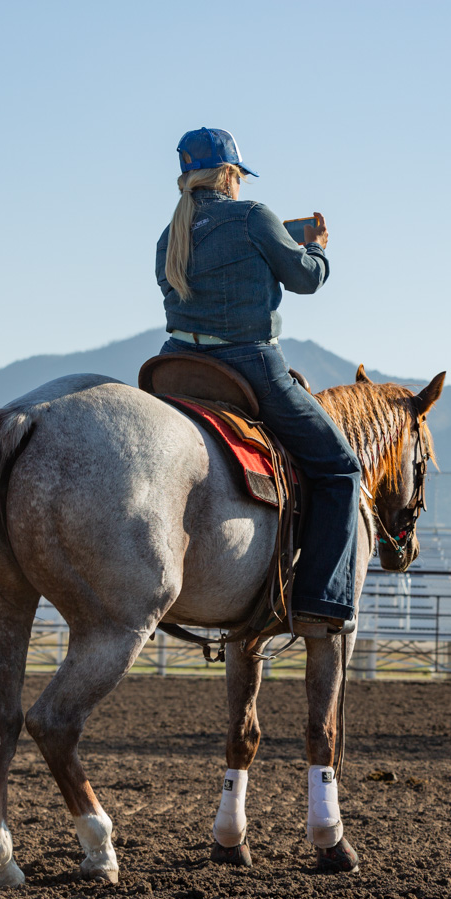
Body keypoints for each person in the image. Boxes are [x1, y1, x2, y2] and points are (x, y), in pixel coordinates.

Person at [154, 127, 360, 637]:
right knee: (340, 471)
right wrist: (315, 248)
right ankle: (318, 601)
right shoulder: (254, 217)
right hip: (249, 367)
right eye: (239, 174)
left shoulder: (169, 235)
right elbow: (306, 279)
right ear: (229, 174)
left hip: (175, 366)